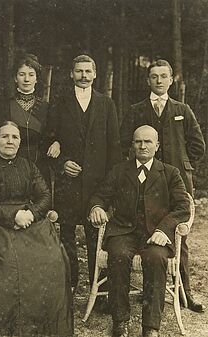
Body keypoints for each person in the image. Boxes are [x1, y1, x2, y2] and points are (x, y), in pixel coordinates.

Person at [0, 121, 73, 337]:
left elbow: (45, 196)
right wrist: (13, 216)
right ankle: (8, 325)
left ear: (20, 142)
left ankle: (41, 322)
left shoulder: (29, 166)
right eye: (4, 136)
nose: (10, 141)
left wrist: (30, 213)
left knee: (53, 257)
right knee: (7, 261)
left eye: (15, 137)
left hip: (30, 220)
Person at [89, 125, 190, 337]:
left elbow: (183, 207)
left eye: (148, 142)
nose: (142, 146)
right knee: (118, 256)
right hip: (124, 232)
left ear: (157, 146)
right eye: (138, 142)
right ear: (133, 144)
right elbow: (100, 196)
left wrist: (164, 230)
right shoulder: (119, 171)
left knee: (155, 258)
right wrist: (96, 207)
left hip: (156, 235)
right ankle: (120, 321)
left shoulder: (170, 173)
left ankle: (151, 327)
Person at [121, 59, 205, 312]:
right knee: (144, 228)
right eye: (154, 76)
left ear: (171, 80)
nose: (159, 81)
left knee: (180, 236)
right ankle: (149, 291)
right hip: (144, 182)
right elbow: (125, 142)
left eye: (163, 76)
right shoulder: (136, 109)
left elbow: (197, 145)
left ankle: (184, 293)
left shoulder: (182, 109)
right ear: (148, 80)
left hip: (175, 182)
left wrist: (182, 167)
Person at [48, 54, 121, 294]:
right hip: (68, 183)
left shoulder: (106, 104)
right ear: (71, 74)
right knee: (67, 231)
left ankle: (97, 288)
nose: (83, 76)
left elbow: (114, 147)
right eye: (79, 71)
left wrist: (110, 185)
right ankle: (69, 285)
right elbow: (48, 142)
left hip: (97, 185)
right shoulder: (59, 102)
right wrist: (62, 163)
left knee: (96, 235)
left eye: (88, 71)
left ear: (95, 74)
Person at [0, 52, 60, 185]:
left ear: (37, 79)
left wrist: (57, 143)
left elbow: (54, 136)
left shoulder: (46, 108)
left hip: (39, 168)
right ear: (15, 78)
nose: (26, 79)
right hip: (8, 167)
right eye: (22, 74)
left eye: (31, 75)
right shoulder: (4, 106)